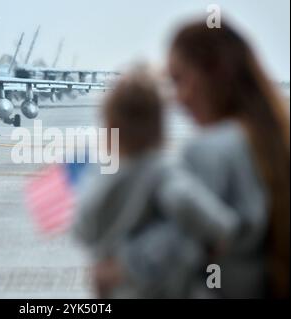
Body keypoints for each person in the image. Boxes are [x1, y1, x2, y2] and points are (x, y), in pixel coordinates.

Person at [94, 20, 290, 298]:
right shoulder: (276, 141)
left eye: (179, 80)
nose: (177, 99)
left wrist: (117, 271)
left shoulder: (208, 151)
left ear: (214, 74)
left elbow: (178, 250)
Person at [73, 67, 241, 298]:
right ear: (161, 126)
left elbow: (82, 229)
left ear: (109, 127)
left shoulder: (99, 178)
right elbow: (200, 213)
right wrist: (218, 232)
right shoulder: (162, 171)